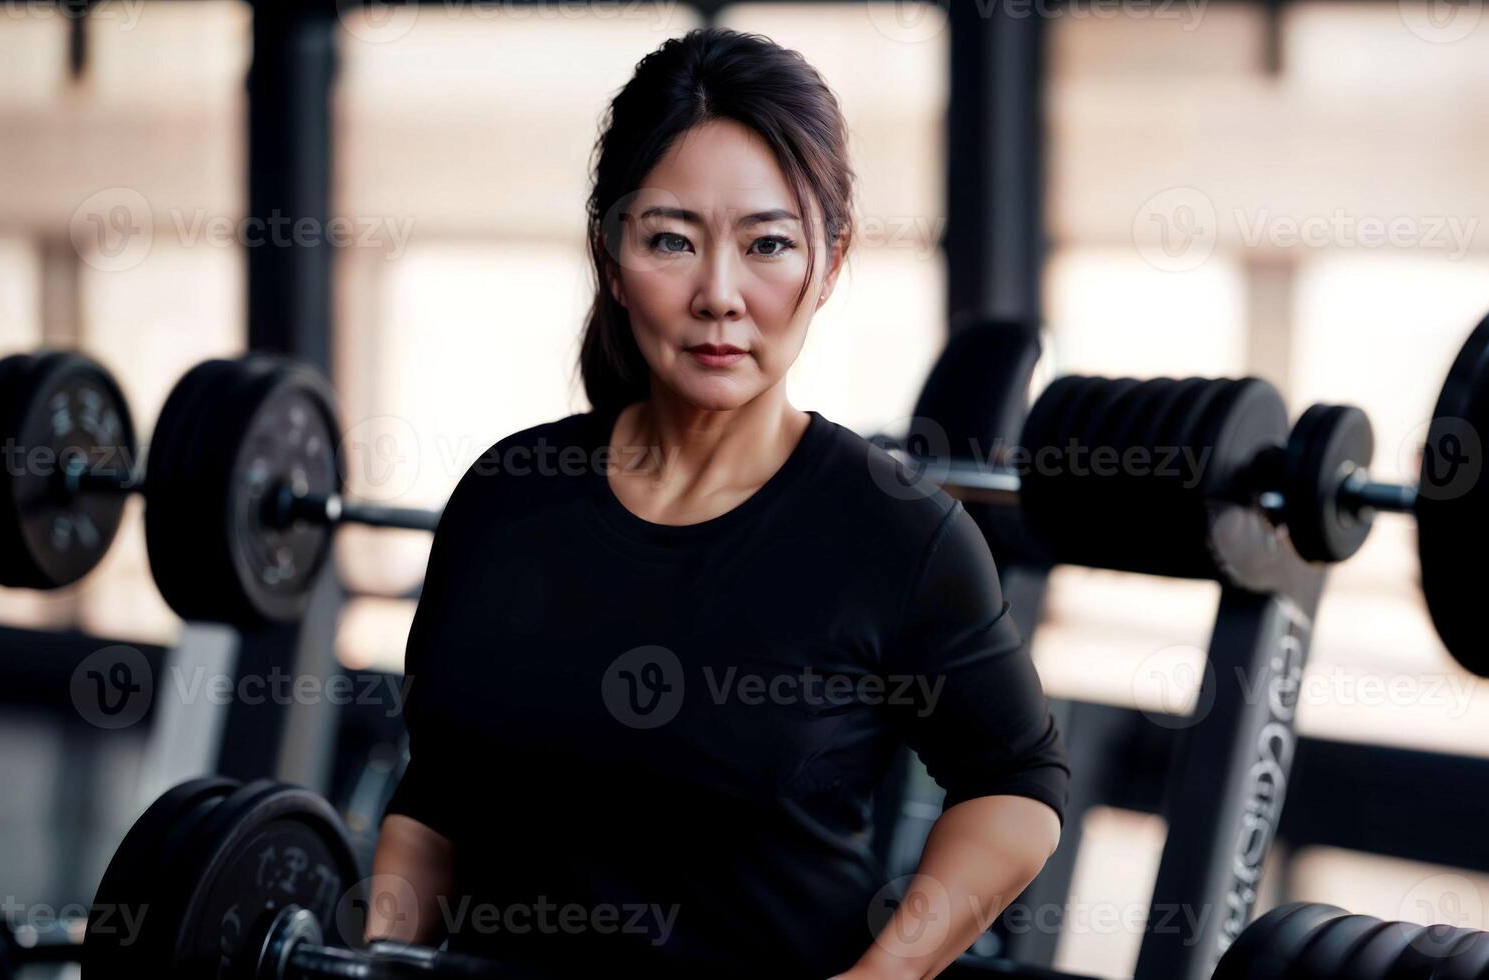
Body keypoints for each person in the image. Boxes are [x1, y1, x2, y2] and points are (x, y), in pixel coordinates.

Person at [367, 27, 1067, 980]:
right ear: (611, 258)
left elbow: (1016, 785)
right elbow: (436, 798)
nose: (719, 295)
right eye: (671, 241)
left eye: (768, 244)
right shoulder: (502, 500)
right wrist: (375, 962)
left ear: (828, 264)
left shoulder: (894, 534)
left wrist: (883, 976)